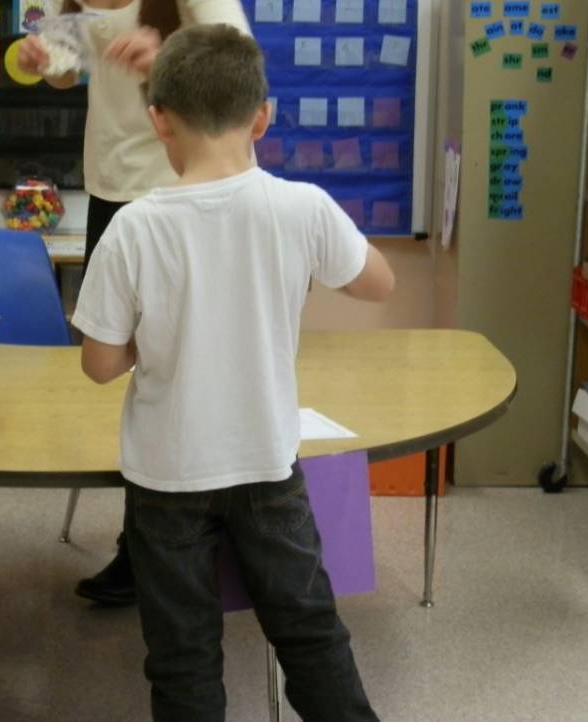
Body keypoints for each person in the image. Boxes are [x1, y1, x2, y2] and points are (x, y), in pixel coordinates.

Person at [72, 25, 392, 722]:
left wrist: (154, 337)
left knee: (183, 657)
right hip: (267, 467)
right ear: (262, 118)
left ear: (158, 120)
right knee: (309, 632)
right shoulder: (301, 207)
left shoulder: (132, 227)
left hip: (167, 478)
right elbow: (379, 283)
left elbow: (99, 364)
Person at [19, 0, 253, 607]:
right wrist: (42, 59)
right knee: (133, 375)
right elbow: (66, 70)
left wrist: (169, 60)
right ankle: (148, 543)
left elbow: (242, 66)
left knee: (193, 369)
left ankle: (197, 539)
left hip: (188, 189)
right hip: (112, 191)